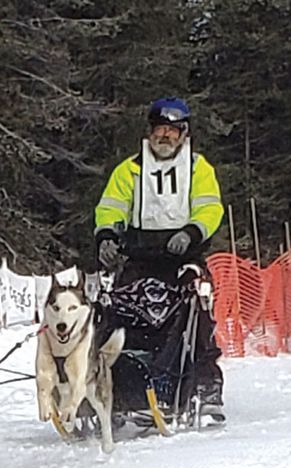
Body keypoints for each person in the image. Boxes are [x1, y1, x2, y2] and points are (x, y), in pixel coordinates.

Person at [93, 97, 226, 419]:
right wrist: (107, 235)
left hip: (183, 255)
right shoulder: (130, 169)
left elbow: (211, 207)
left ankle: (207, 384)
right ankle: (112, 384)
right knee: (116, 311)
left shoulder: (198, 168)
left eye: (172, 130)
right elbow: (111, 207)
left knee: (196, 312)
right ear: (150, 131)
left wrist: (192, 232)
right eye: (159, 129)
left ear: (183, 133)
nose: (164, 136)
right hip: (139, 254)